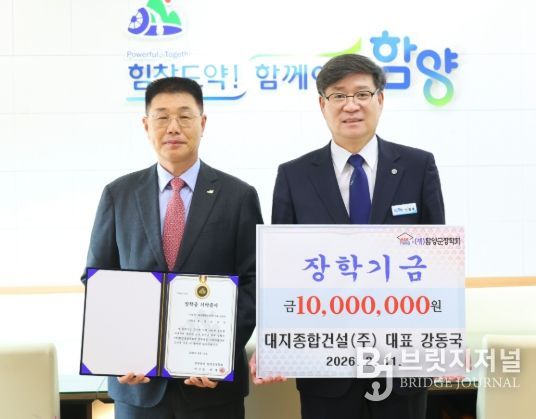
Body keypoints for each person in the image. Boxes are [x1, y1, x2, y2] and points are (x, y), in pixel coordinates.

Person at [250, 54, 444, 419]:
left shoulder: (418, 167)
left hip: (402, 361)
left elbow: (437, 264)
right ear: (322, 104)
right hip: (325, 366)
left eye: (362, 94)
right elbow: (281, 271)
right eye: (338, 95)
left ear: (380, 99)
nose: (351, 105)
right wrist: (272, 339)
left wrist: (446, 337)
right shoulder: (294, 176)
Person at [84, 77, 263, 418]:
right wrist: (118, 351)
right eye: (162, 117)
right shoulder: (118, 194)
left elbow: (255, 283)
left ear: (203, 123)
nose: (173, 127)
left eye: (184, 116)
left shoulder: (238, 196)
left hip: (212, 388)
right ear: (145, 125)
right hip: (138, 386)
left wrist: (219, 353)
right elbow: (98, 279)